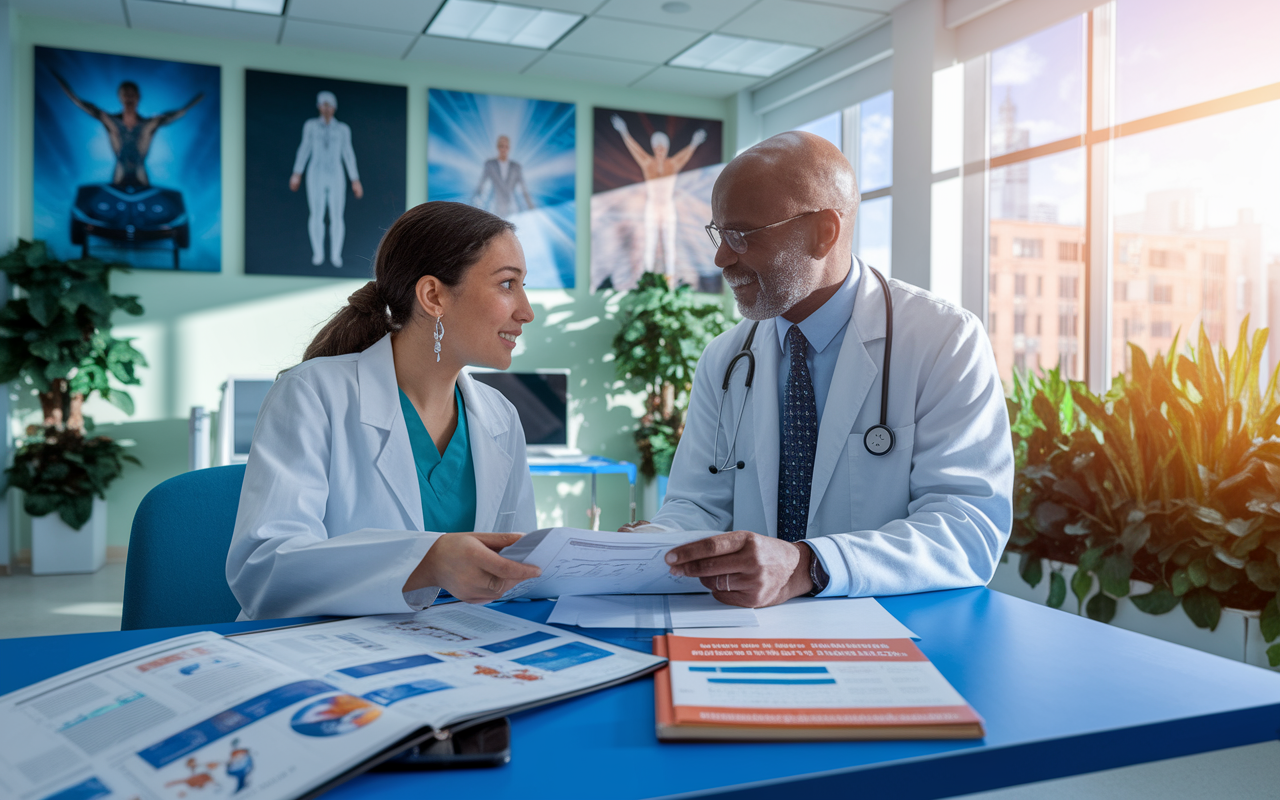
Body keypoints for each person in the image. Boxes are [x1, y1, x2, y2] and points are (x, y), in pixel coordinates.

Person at [626, 132, 1013, 609]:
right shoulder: (726, 360)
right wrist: (651, 544)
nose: (721, 258)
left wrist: (807, 565)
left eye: (741, 235)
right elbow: (698, 504)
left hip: (894, 632)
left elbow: (966, 528)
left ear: (823, 233)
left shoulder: (943, 340)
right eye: (718, 234)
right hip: (752, 630)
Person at [227, 201, 541, 620]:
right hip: (323, 652)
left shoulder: (500, 416)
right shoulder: (312, 393)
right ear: (433, 296)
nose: (527, 311)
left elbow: (517, 568)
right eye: (507, 284)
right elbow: (263, 571)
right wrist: (424, 562)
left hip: (457, 650)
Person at [53, 72, 204, 189]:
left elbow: (178, 113)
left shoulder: (149, 123)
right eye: (126, 94)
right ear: (120, 97)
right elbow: (79, 102)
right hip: (119, 173)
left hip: (141, 174)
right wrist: (62, 84)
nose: (129, 98)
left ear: (138, 97)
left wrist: (195, 100)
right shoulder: (111, 121)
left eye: (132, 94)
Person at [610, 115, 707, 279]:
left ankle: (669, 284)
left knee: (669, 246)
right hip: (652, 207)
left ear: (667, 148)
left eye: (663, 147)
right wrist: (623, 131)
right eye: (658, 147)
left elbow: (686, 154)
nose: (660, 150)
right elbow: (634, 149)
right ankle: (648, 281)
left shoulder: (672, 164)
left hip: (668, 208)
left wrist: (695, 142)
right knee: (650, 245)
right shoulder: (648, 163)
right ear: (654, 148)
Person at [290, 90, 363, 268]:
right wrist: (297, 173)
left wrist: (355, 179)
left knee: (337, 215)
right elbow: (304, 149)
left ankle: (336, 254)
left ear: (335, 107)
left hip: (336, 173)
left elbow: (348, 154)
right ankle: (318, 253)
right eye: (323, 104)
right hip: (316, 172)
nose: (327, 108)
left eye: (329, 104)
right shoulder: (311, 126)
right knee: (316, 214)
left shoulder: (343, 129)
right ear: (318, 106)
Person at [471, 134, 534, 219]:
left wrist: (531, 207)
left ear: (509, 148)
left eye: (506, 147)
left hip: (513, 209)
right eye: (501, 146)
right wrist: (472, 205)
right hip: (494, 208)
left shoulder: (516, 167)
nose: (504, 149)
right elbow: (481, 185)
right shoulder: (490, 164)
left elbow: (523, 189)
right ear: (497, 147)